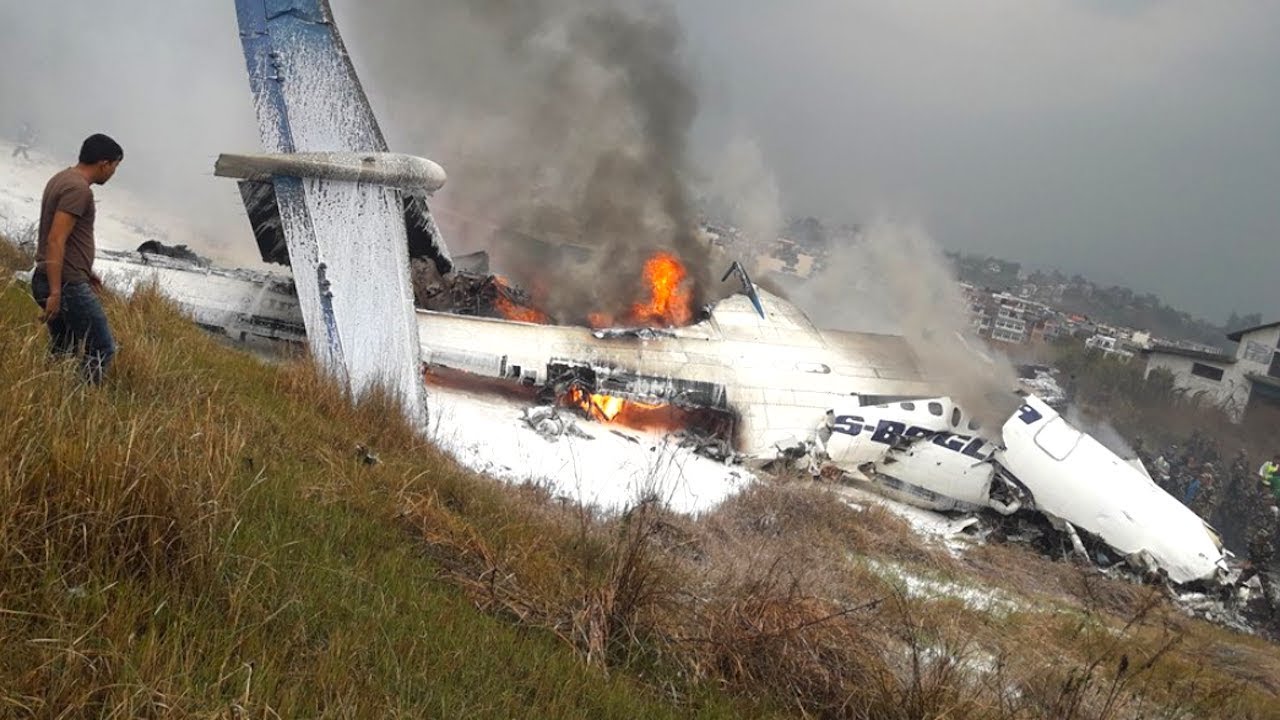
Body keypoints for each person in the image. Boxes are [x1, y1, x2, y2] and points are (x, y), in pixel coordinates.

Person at [30, 134, 123, 384]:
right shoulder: (79, 190)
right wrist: (56, 292)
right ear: (104, 163)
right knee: (102, 347)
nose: (113, 173)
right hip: (65, 285)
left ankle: (49, 391)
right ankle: (80, 397)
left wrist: (85, 271)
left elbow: (63, 238)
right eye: (115, 166)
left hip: (52, 276)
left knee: (64, 346)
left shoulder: (61, 178)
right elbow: (56, 239)